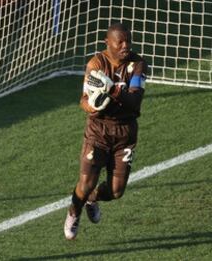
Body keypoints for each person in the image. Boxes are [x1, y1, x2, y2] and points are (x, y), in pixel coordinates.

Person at [64, 23, 148, 240]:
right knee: (86, 181)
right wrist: (92, 106)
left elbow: (135, 101)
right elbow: (84, 100)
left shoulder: (137, 64)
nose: (125, 46)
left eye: (128, 41)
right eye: (119, 41)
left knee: (116, 191)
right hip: (98, 130)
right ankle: (74, 212)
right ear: (107, 42)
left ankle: (92, 198)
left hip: (125, 133)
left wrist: (111, 89)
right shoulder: (96, 64)